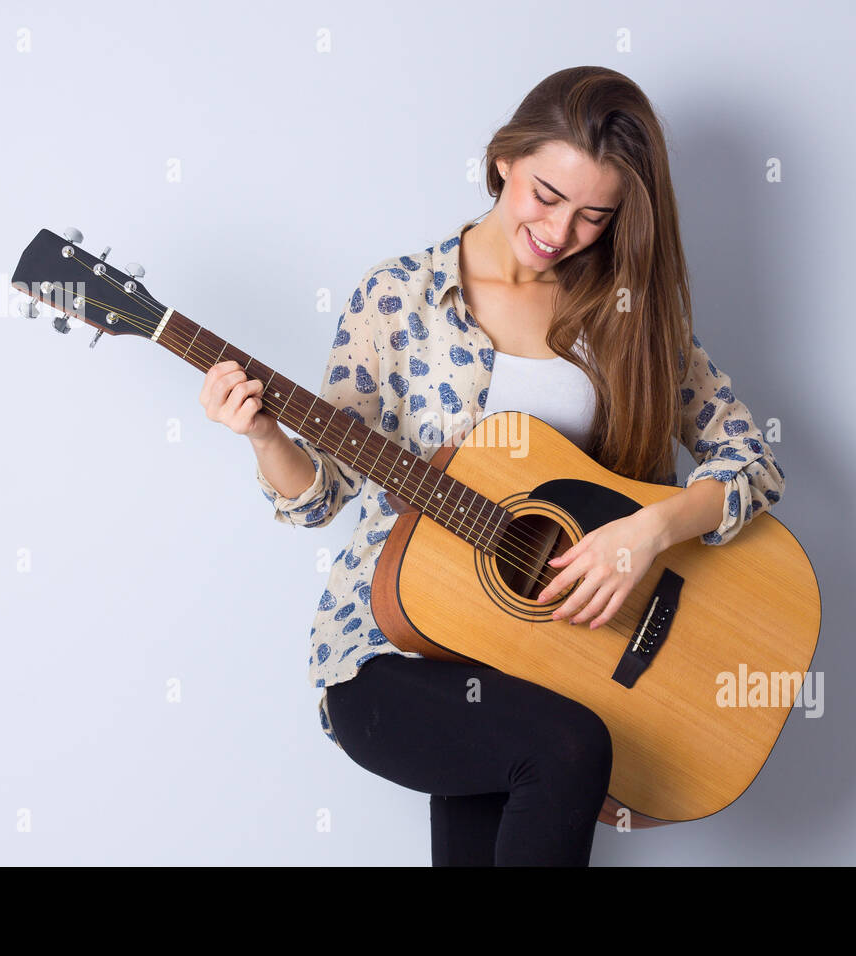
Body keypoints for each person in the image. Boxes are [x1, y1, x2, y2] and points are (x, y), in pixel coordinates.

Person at [199, 66, 786, 866]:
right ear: (505, 158)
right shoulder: (395, 298)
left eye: (592, 216)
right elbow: (322, 497)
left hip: (533, 655)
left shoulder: (623, 317)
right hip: (390, 650)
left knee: (538, 746)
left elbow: (750, 459)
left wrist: (649, 532)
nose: (558, 231)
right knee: (562, 747)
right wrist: (266, 437)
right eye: (545, 194)